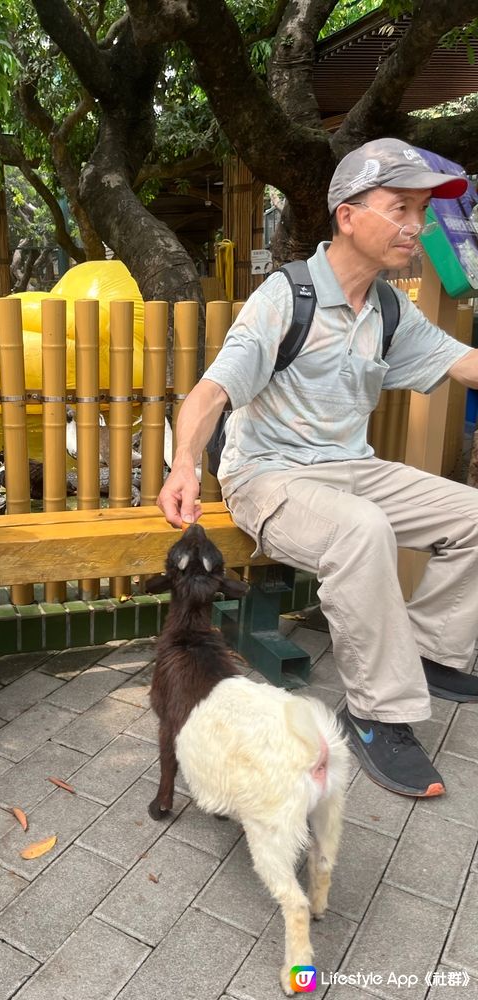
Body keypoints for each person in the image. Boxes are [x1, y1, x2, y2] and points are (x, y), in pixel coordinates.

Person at [158, 138, 478, 800]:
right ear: (348, 214)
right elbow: (213, 390)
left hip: (350, 470)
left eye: (421, 211)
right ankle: (378, 712)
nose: (415, 226)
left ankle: (432, 651)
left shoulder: (390, 309)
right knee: (362, 530)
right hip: (268, 479)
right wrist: (186, 461)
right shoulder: (287, 297)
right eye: (401, 208)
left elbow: (463, 362)